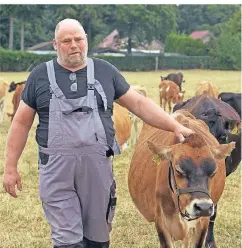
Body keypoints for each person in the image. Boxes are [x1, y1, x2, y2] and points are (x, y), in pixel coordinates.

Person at [3, 19, 194, 248]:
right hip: (56, 171)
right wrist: (10, 168)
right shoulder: (39, 76)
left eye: (79, 39)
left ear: (86, 41)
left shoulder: (105, 71)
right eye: (66, 41)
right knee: (67, 241)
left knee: (98, 238)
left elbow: (140, 105)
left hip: (97, 170)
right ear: (55, 44)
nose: (74, 45)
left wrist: (174, 126)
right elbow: (21, 124)